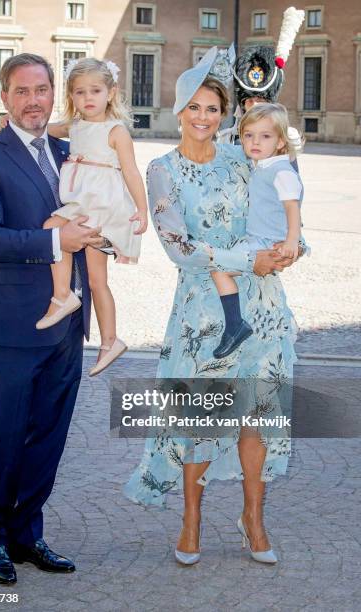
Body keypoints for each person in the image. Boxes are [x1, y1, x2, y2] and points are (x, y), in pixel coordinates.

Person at [124, 46, 301, 566]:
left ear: (225, 115)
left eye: (213, 109)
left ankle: (253, 519)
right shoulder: (162, 169)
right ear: (179, 109)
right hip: (203, 315)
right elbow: (178, 246)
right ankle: (191, 520)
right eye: (194, 107)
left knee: (257, 416)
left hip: (264, 310)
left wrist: (291, 248)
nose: (203, 117)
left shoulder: (241, 156)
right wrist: (251, 260)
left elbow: (280, 206)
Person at [0, 53, 105, 585]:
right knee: (8, 432)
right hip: (16, 326)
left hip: (68, 323)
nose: (34, 100)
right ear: (5, 98)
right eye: (22, 92)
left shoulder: (71, 153)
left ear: (53, 94)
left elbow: (97, 211)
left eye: (42, 90)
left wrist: (105, 232)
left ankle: (28, 533)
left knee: (51, 434)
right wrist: (54, 241)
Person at [35, 57, 148, 376]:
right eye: (79, 92)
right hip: (85, 202)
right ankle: (110, 341)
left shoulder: (116, 131)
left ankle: (63, 296)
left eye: (95, 91)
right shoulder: (74, 126)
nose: (88, 98)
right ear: (71, 96)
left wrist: (142, 209)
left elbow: (131, 172)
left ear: (111, 93)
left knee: (52, 226)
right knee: (98, 280)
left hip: (99, 204)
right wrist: (9, 124)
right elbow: (42, 127)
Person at [212, 102, 303, 359]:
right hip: (257, 237)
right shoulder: (262, 166)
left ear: (281, 142)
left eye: (265, 136)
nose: (255, 142)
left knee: (219, 268)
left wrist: (292, 241)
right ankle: (235, 325)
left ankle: (235, 326)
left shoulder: (281, 171)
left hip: (267, 241)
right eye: (249, 135)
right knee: (221, 268)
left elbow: (292, 208)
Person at [218, 6, 305, 153]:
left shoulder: (287, 138)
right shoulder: (227, 140)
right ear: (242, 103)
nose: (255, 106)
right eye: (250, 100)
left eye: (260, 99)